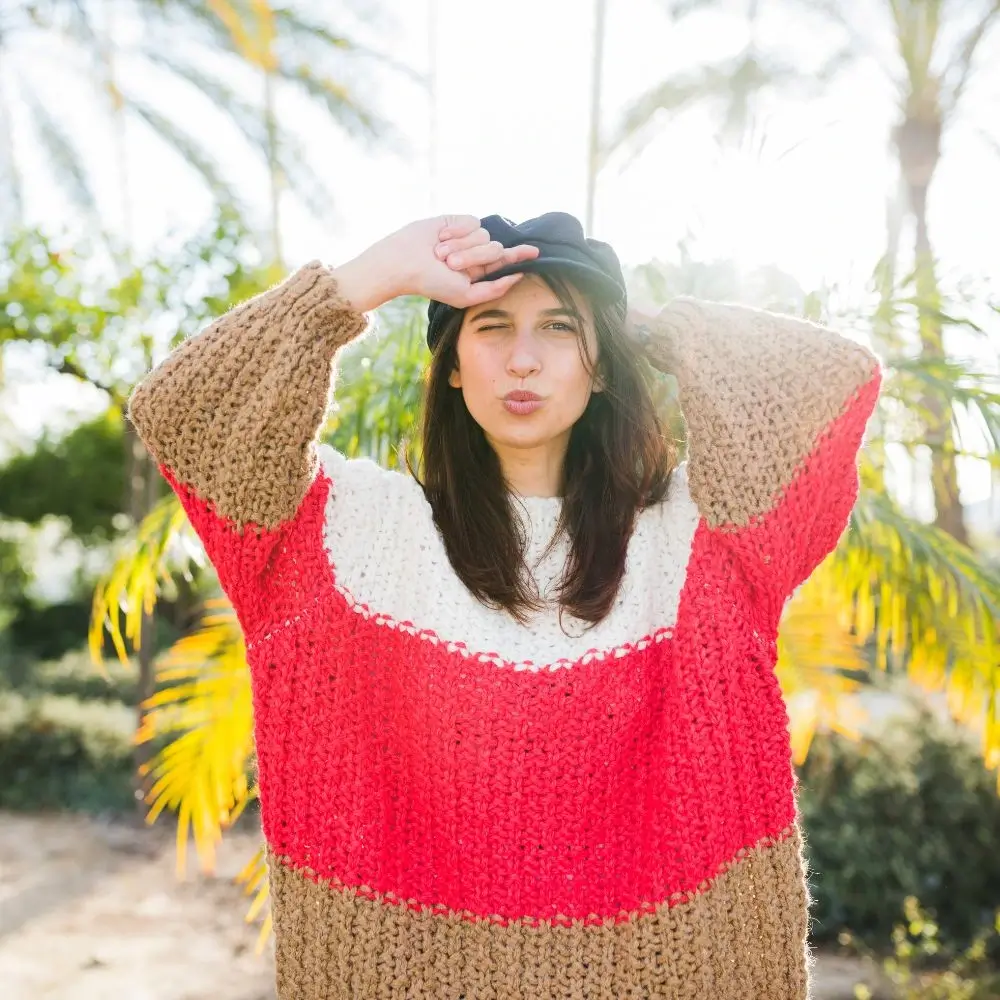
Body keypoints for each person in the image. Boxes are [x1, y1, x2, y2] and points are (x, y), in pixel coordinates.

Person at [127, 211, 882, 999]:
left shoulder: (704, 537)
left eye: (558, 327)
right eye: (491, 326)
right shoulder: (347, 533)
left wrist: (647, 325)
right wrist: (370, 277)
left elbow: (828, 382)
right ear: (451, 363)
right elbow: (187, 414)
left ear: (600, 364)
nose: (524, 359)